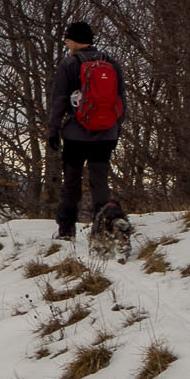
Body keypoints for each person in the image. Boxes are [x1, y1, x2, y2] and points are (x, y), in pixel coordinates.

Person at [46, 21, 124, 241]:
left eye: (68, 39)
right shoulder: (111, 63)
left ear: (75, 40)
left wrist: (53, 131)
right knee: (100, 181)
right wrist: (116, 129)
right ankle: (105, 228)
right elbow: (121, 101)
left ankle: (66, 230)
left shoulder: (69, 64)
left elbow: (59, 101)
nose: (66, 42)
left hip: (75, 134)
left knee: (71, 180)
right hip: (106, 133)